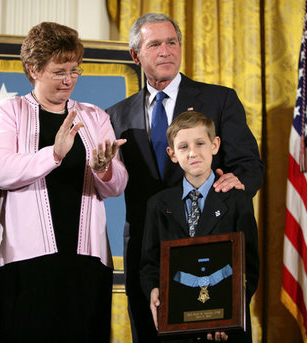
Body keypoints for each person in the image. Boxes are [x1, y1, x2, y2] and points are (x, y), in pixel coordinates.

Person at [106, 12, 264, 342]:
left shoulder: (219, 99)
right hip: (148, 249)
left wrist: (237, 183)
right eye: (154, 44)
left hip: (214, 246)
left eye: (172, 42)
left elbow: (250, 165)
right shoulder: (115, 115)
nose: (165, 51)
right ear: (136, 55)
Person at [0, 22, 128, 342]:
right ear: (34, 69)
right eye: (59, 71)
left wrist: (103, 169)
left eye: (75, 71)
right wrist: (54, 154)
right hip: (26, 262)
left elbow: (117, 185)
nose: (68, 80)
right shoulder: (8, 111)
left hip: (87, 260)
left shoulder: (94, 116)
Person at [141, 111, 260, 342]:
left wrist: (230, 312)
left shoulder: (237, 200)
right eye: (183, 147)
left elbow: (249, 266)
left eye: (200, 143)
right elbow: (149, 263)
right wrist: (153, 290)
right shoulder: (158, 204)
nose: (193, 152)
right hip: (176, 328)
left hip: (226, 330)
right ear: (172, 154)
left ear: (215, 145)